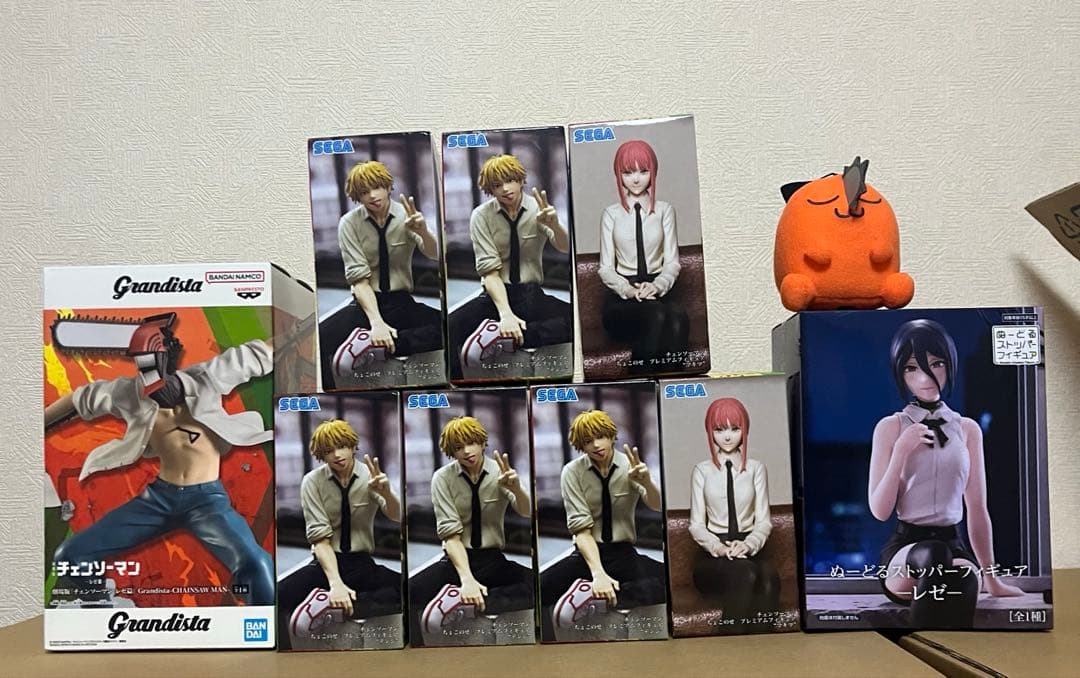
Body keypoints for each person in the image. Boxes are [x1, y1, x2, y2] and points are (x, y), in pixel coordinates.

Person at [44, 324, 275, 608]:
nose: (149, 379)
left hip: (206, 502)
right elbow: (79, 398)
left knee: (256, 563)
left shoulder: (208, 377)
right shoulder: (129, 393)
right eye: (142, 367)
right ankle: (103, 605)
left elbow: (259, 353)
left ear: (168, 361)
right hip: (158, 500)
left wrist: (296, 331)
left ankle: (265, 620)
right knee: (70, 556)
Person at [868, 319, 1023, 628]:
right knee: (934, 555)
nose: (925, 377)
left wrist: (992, 579)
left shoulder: (967, 430)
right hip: (906, 550)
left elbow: (977, 508)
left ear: (950, 365)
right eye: (912, 368)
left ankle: (945, 650)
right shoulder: (891, 427)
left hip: (954, 544)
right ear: (900, 373)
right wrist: (901, 451)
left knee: (964, 578)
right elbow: (879, 510)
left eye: (936, 364)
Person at [539, 409, 666, 639]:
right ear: (581, 445)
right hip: (586, 554)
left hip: (623, 553)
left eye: (600, 437)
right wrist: (598, 574)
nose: (596, 445)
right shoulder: (572, 472)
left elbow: (657, 506)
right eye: (588, 441)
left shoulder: (630, 465)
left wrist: (647, 482)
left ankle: (593, 597)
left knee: (671, 581)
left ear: (611, 436)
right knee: (537, 589)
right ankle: (591, 590)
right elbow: (581, 531)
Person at [408, 416, 534, 645]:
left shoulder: (501, 472)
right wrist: (467, 580)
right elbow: (451, 536)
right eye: (458, 447)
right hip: (456, 559)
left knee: (539, 585)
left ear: (483, 442)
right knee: (410, 591)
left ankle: (462, 603)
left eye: (471, 443)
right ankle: (464, 600)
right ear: (451, 451)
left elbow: (526, 512)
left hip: (492, 558)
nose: (466, 451)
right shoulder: (442, 478)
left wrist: (517, 489)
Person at [279, 419, 402, 648]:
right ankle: (329, 600)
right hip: (325, 563)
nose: (336, 455)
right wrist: (335, 584)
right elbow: (320, 540)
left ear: (353, 446)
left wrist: (387, 494)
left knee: (409, 589)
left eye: (342, 446)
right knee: (280, 595)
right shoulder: (312, 482)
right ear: (321, 455)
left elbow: (397, 516)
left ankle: (333, 606)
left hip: (361, 563)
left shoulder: (370, 476)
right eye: (328, 451)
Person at [447, 154, 571, 379]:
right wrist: (506, 315)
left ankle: (503, 337)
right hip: (495, 295)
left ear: (521, 180)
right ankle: (459, 386)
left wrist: (554, 225)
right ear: (490, 190)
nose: (504, 189)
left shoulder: (539, 208)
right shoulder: (481, 216)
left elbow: (564, 247)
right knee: (449, 327)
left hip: (531, 294)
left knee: (576, 321)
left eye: (510, 180)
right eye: (497, 185)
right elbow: (490, 273)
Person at [320, 160, 443, 387]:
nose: (372, 196)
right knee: (321, 338)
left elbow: (436, 254)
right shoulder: (349, 223)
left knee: (449, 326)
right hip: (366, 303)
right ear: (357, 196)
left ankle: (384, 345)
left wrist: (424, 232)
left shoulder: (407, 216)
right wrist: (376, 323)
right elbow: (359, 281)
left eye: (376, 187)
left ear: (388, 187)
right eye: (364, 192)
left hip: (401, 302)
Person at [688, 397, 780, 631]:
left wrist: (748, 545)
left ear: (744, 430)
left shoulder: (756, 469)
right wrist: (719, 548)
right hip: (712, 559)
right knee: (745, 572)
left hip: (748, 550)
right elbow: (696, 525)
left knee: (769, 577)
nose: (727, 437)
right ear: (710, 431)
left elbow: (764, 522)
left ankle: (763, 647)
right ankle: (729, 642)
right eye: (719, 430)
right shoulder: (702, 471)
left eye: (734, 429)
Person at [597, 139, 688, 372]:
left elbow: (672, 262)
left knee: (678, 317)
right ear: (618, 175)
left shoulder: (665, 211)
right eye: (628, 173)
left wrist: (657, 286)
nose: (636, 179)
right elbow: (605, 268)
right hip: (622, 300)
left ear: (653, 172)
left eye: (643, 171)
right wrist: (628, 290)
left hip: (657, 291)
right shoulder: (611, 214)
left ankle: (670, 384)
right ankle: (639, 380)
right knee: (656, 314)